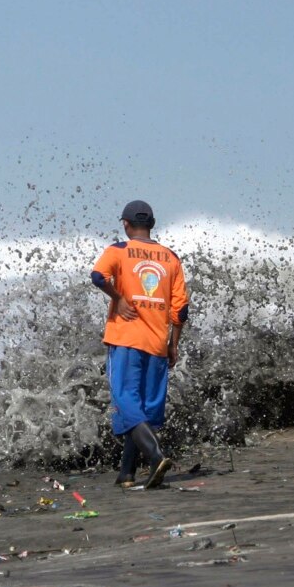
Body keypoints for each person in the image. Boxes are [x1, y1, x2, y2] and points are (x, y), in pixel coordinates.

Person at [91, 200, 189, 489]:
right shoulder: (171, 258)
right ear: (152, 224)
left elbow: (98, 277)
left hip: (126, 339)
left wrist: (118, 298)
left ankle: (156, 456)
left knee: (125, 402)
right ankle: (127, 473)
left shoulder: (118, 251)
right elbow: (180, 309)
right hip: (158, 342)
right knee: (144, 409)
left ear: (125, 224)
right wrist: (173, 345)